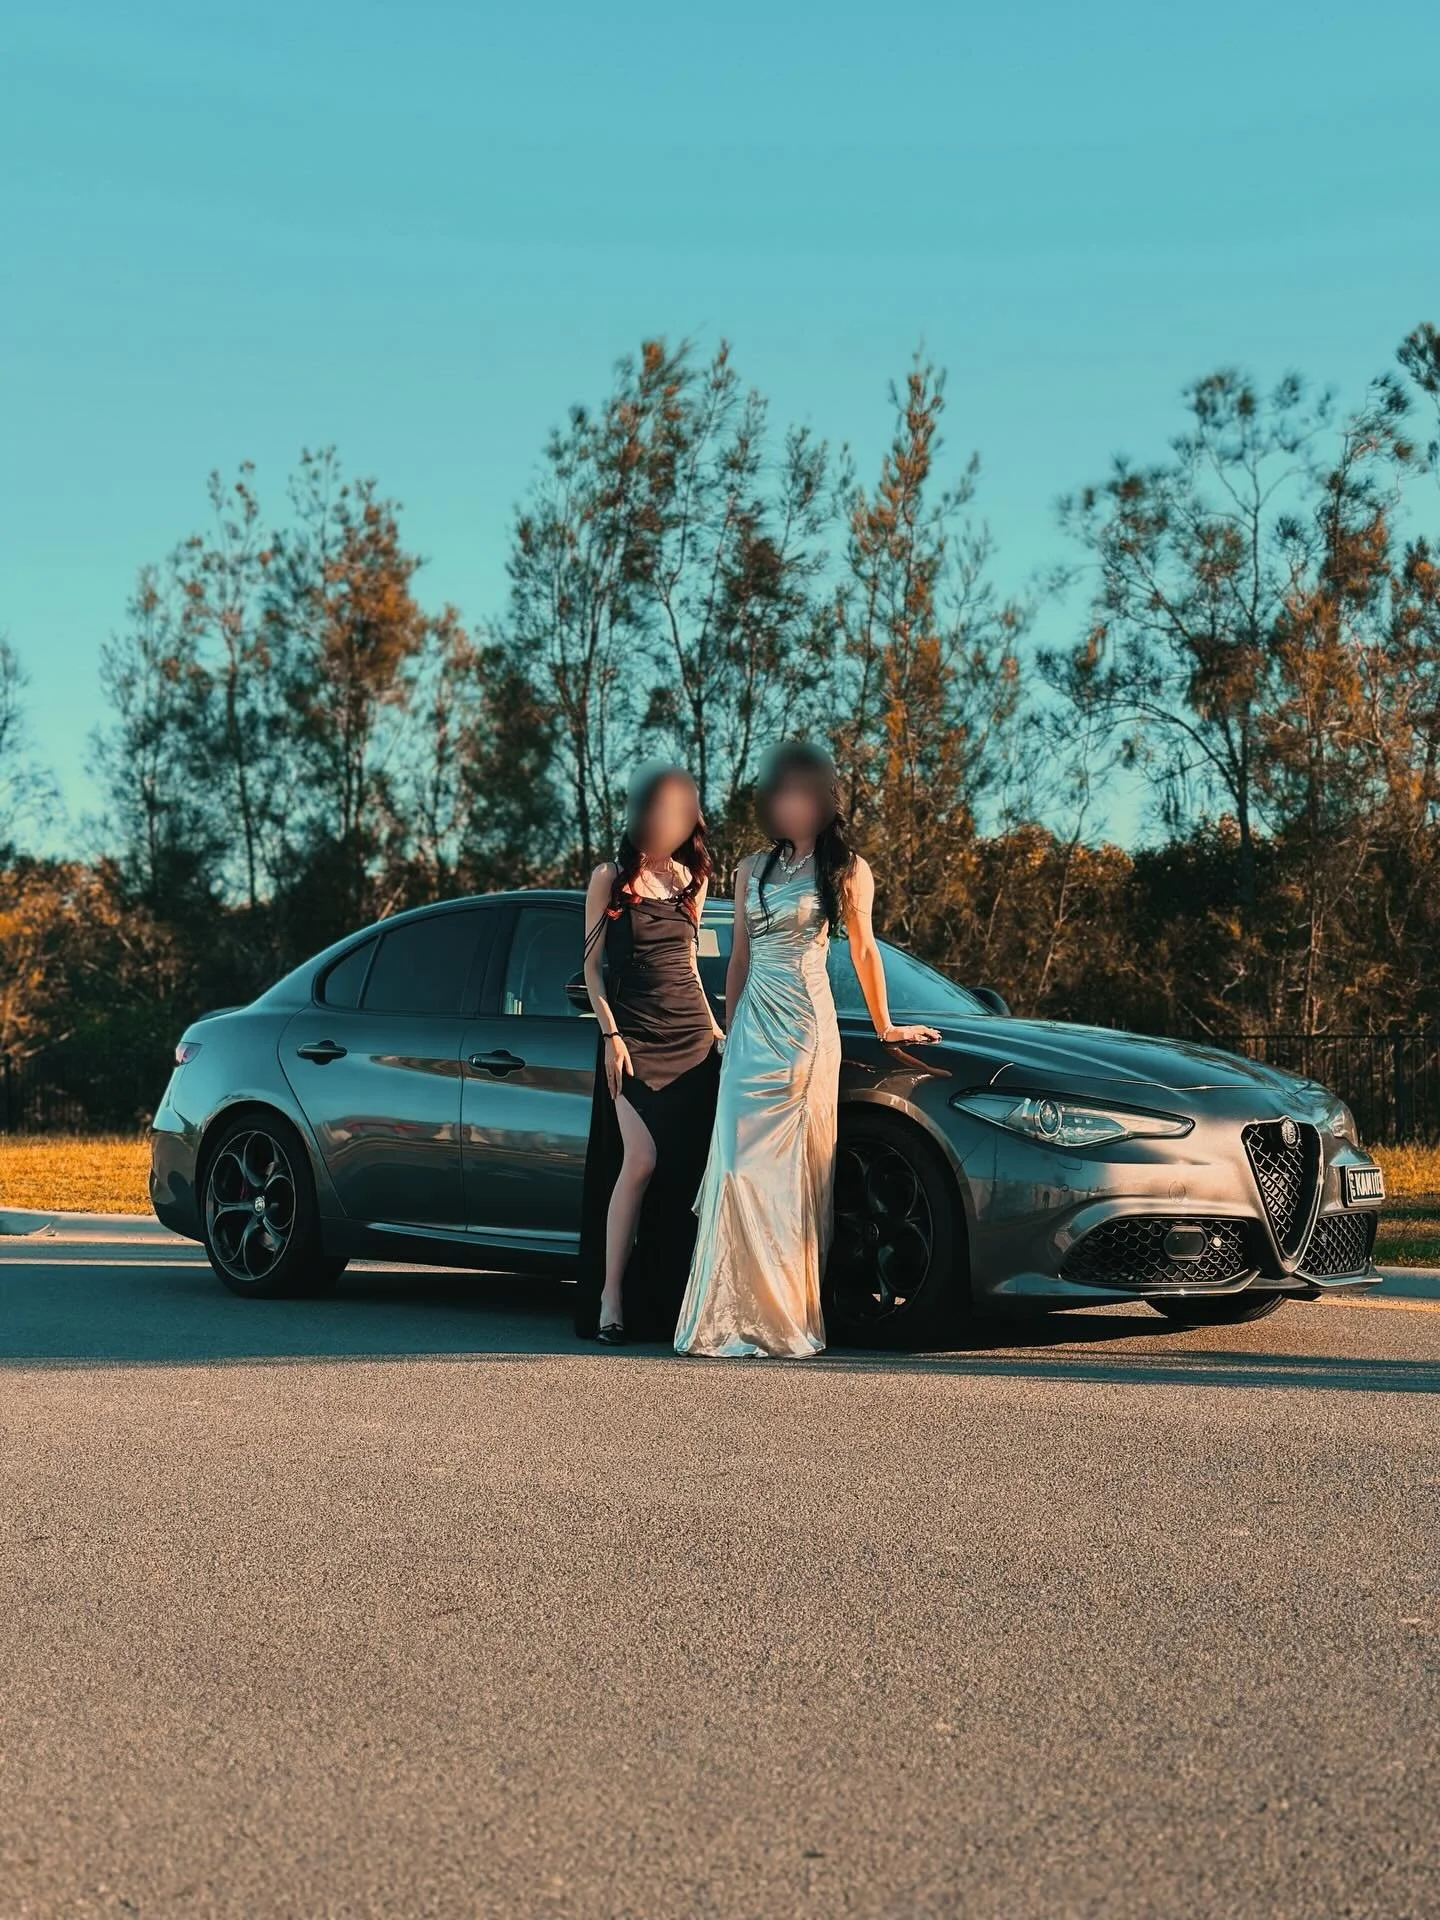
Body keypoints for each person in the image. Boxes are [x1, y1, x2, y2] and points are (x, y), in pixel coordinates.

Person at [675, 742, 940, 1358]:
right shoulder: (750, 867)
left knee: (790, 1177)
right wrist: (728, 1029)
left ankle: (783, 1318)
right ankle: (725, 1315)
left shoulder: (848, 869)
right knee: (737, 1170)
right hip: (751, 1032)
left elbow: (865, 951)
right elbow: (738, 957)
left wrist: (886, 1025)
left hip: (805, 1030)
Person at [575, 764, 724, 1344]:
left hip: (691, 1035)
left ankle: (671, 1302)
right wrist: (610, 1036)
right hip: (633, 1036)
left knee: (689, 1172)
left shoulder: (693, 881)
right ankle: (610, 1296)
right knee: (638, 1161)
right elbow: (591, 971)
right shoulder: (608, 878)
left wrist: (717, 1034)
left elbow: (689, 966)